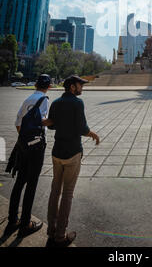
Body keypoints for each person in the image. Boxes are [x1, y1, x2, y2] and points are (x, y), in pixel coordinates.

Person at [46, 75, 100, 247]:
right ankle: (61, 235)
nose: (82, 88)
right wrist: (92, 134)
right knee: (67, 194)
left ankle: (51, 230)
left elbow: (51, 125)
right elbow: (82, 128)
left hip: (57, 153)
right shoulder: (77, 103)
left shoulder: (55, 103)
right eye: (79, 85)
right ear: (71, 87)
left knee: (55, 190)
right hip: (72, 153)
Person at [4, 74, 52, 238]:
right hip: (36, 148)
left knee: (19, 182)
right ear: (49, 86)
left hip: (23, 145)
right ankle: (26, 224)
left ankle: (13, 219)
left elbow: (18, 122)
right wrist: (54, 121)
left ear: (35, 85)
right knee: (31, 184)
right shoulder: (44, 99)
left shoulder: (28, 99)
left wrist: (24, 138)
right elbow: (42, 121)